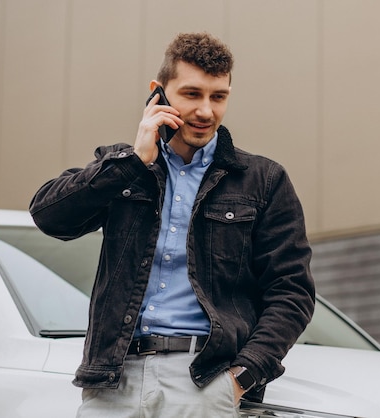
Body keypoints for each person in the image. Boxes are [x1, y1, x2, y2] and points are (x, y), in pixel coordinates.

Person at [29, 32, 315, 417]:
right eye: (192, 94)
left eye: (219, 96)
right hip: (114, 380)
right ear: (157, 93)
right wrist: (132, 162)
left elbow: (292, 292)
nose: (206, 111)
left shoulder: (262, 180)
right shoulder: (121, 167)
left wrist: (242, 377)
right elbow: (49, 217)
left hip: (205, 380)